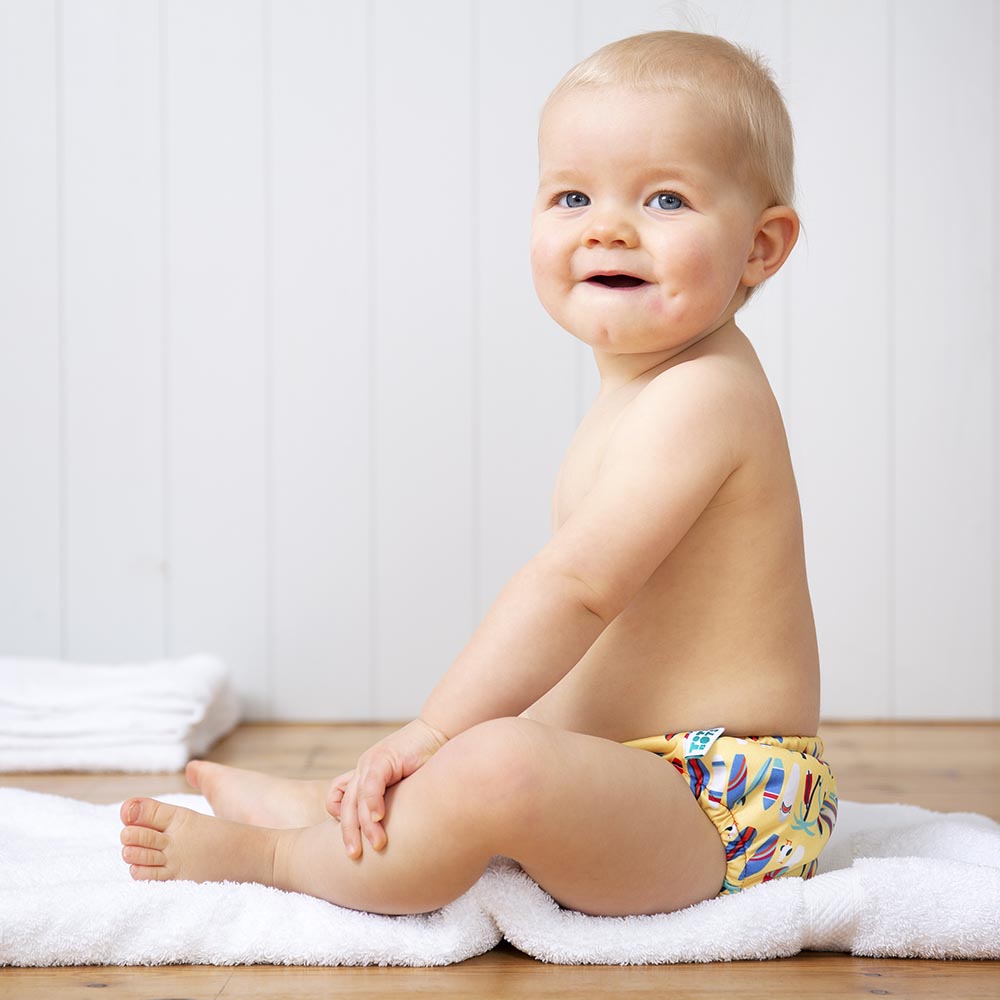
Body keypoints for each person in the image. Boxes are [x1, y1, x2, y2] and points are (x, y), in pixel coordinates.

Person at [119, 29, 838, 917]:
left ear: (762, 248)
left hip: (723, 805)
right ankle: (346, 807)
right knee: (498, 748)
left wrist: (434, 729)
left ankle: (279, 857)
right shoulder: (644, 393)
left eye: (665, 198)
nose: (608, 226)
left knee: (494, 759)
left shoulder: (705, 397)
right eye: (573, 195)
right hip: (632, 773)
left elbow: (578, 587)